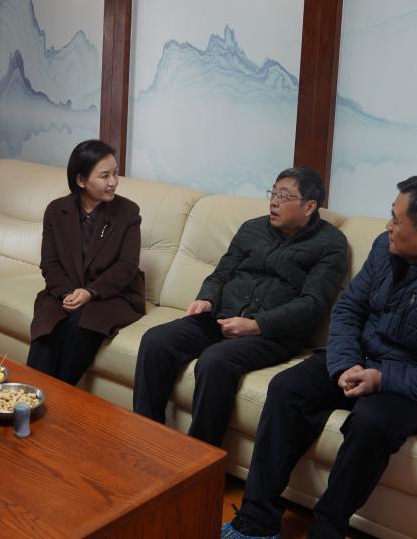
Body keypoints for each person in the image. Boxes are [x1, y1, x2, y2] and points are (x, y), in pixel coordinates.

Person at [223, 175, 417, 539]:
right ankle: (256, 522)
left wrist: (382, 379)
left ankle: (326, 531)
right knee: (286, 388)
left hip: (405, 379)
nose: (387, 226)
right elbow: (349, 309)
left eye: (396, 220)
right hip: (356, 356)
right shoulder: (384, 247)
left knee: (371, 424)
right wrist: (345, 363)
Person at [133, 167, 348, 447]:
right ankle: (145, 436)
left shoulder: (331, 244)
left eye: (284, 196)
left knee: (215, 361)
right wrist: (207, 299)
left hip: (271, 334)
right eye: (273, 193)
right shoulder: (252, 228)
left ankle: (200, 454)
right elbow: (221, 274)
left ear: (309, 206)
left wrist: (257, 325)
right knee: (156, 340)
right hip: (220, 317)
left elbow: (313, 304)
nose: (274, 202)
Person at [27, 139, 145, 385]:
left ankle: (59, 395)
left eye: (115, 173)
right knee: (48, 327)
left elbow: (127, 266)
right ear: (81, 180)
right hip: (65, 289)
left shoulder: (128, 212)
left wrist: (90, 292)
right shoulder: (56, 211)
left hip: (113, 294)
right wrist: (68, 293)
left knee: (83, 324)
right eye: (104, 176)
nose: (113, 182)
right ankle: (30, 395)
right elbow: (50, 263)